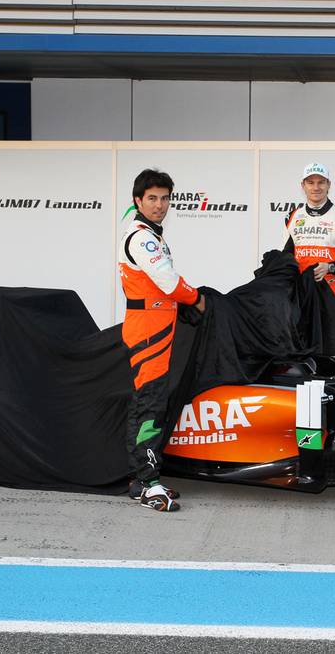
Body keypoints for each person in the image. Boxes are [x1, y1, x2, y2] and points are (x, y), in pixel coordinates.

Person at [119, 168, 205, 512]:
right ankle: (147, 483)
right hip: (147, 331)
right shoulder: (142, 238)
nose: (159, 205)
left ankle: (143, 479)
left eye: (165, 198)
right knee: (150, 406)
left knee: (150, 402)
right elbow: (168, 282)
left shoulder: (151, 234)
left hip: (157, 327)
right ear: (138, 201)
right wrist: (199, 299)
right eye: (152, 198)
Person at [282, 162, 335, 365]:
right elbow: (285, 260)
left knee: (333, 358)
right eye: (310, 182)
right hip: (301, 298)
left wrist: (331, 267)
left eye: (321, 182)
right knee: (299, 359)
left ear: (329, 184)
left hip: (330, 298)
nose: (316, 187)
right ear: (303, 185)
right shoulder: (292, 217)